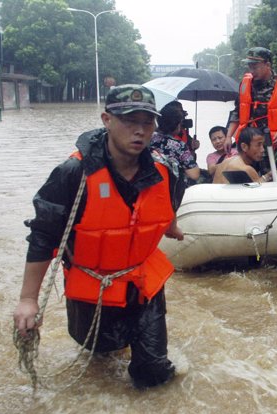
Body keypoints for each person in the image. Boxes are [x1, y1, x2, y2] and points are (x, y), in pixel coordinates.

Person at [12, 84, 186, 389]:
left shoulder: (165, 170)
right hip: (95, 284)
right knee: (100, 360)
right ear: (107, 120)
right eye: (130, 121)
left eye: (147, 123)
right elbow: (43, 236)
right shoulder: (72, 174)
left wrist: (171, 227)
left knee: (152, 373)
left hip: (143, 283)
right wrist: (28, 300)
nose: (140, 131)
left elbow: (167, 205)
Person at [225, 47, 277, 151]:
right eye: (250, 67)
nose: (252, 71)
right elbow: (237, 112)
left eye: (255, 67)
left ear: (268, 65)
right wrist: (228, 137)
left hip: (274, 143)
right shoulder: (245, 84)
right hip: (249, 144)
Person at [151, 100, 200, 184]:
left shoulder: (148, 138)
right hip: (171, 186)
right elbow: (194, 174)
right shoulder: (178, 146)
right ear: (177, 124)